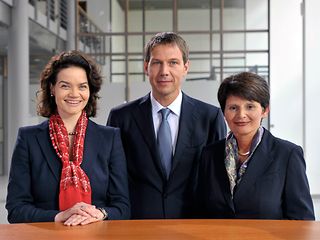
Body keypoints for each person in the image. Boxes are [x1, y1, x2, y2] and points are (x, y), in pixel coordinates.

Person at [107, 32, 226, 219]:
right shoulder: (121, 117)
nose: (164, 71)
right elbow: (114, 180)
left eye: (173, 62)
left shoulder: (209, 118)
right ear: (146, 67)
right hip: (137, 225)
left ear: (186, 67)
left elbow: (217, 182)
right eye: (157, 63)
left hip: (193, 225)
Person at [6, 50, 130, 225]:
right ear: (52, 88)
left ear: (90, 91)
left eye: (82, 86)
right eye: (65, 85)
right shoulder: (28, 139)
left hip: (97, 236)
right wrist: (59, 216)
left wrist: (99, 214)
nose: (74, 93)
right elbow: (16, 209)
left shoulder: (109, 138)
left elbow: (122, 207)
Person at [197, 71, 315, 220]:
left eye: (250, 107)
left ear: (265, 110)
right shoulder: (210, 155)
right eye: (233, 108)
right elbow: (201, 214)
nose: (241, 115)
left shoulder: (287, 154)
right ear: (224, 112)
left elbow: (302, 221)